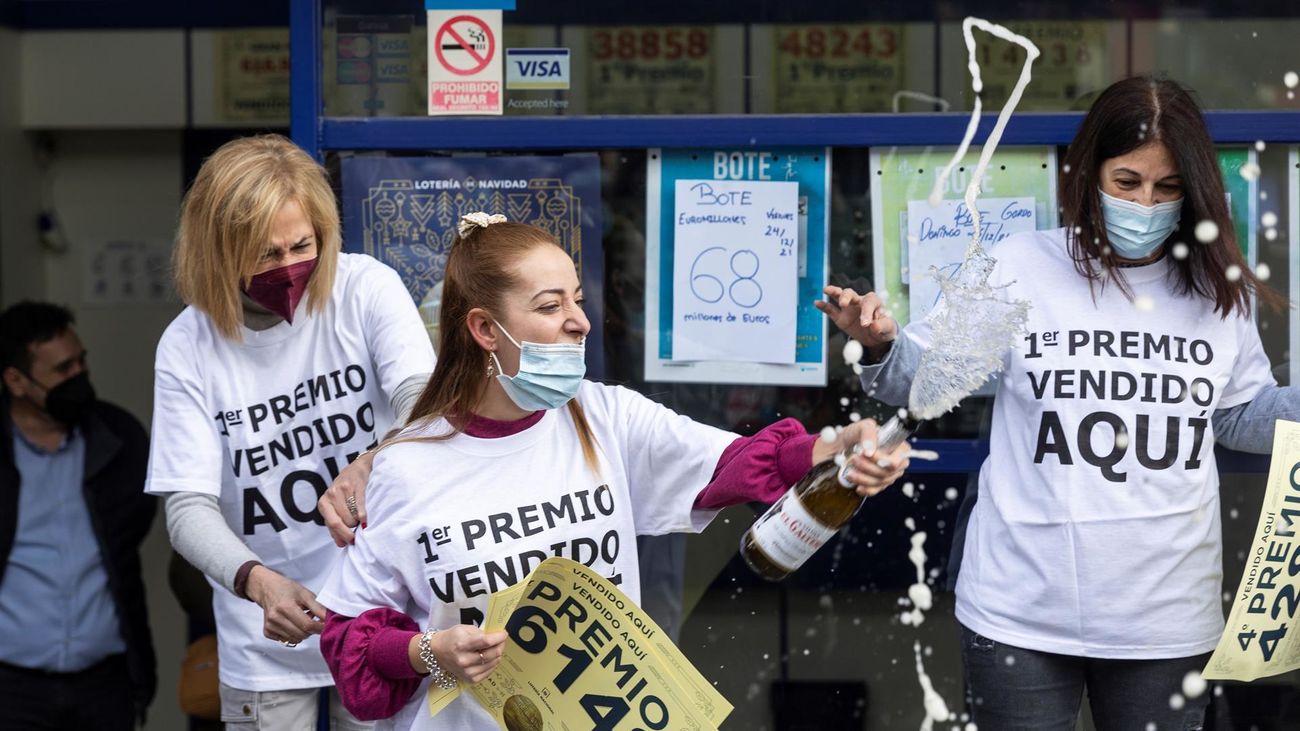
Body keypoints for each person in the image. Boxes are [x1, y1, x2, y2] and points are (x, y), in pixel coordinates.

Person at [820, 75, 1296, 729]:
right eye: (1127, 182)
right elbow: (926, 383)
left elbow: (1237, 413)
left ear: (1193, 191)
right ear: (1089, 173)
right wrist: (881, 341)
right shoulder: (1023, 265)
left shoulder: (1216, 292)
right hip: (1019, 612)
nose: (1145, 204)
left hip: (1167, 619)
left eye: (1166, 188)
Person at [312, 215, 912, 730]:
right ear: (484, 329)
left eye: (576, 297)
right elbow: (350, 641)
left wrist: (838, 446)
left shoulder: (604, 417)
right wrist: (429, 654)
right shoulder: (405, 466)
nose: (580, 321)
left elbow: (737, 465)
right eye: (550, 306)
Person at [145, 134, 436, 730]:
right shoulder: (188, 345)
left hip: (383, 618)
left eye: (301, 245)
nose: (286, 268)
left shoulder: (364, 289)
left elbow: (422, 402)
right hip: (266, 641)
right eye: (263, 253)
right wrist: (257, 582)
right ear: (218, 251)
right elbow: (188, 509)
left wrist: (374, 459)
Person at [0, 301, 157, 730]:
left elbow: (130, 535)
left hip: (105, 683)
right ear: (16, 381)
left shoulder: (118, 436)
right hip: (11, 688)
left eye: (80, 361)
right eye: (62, 369)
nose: (79, 376)